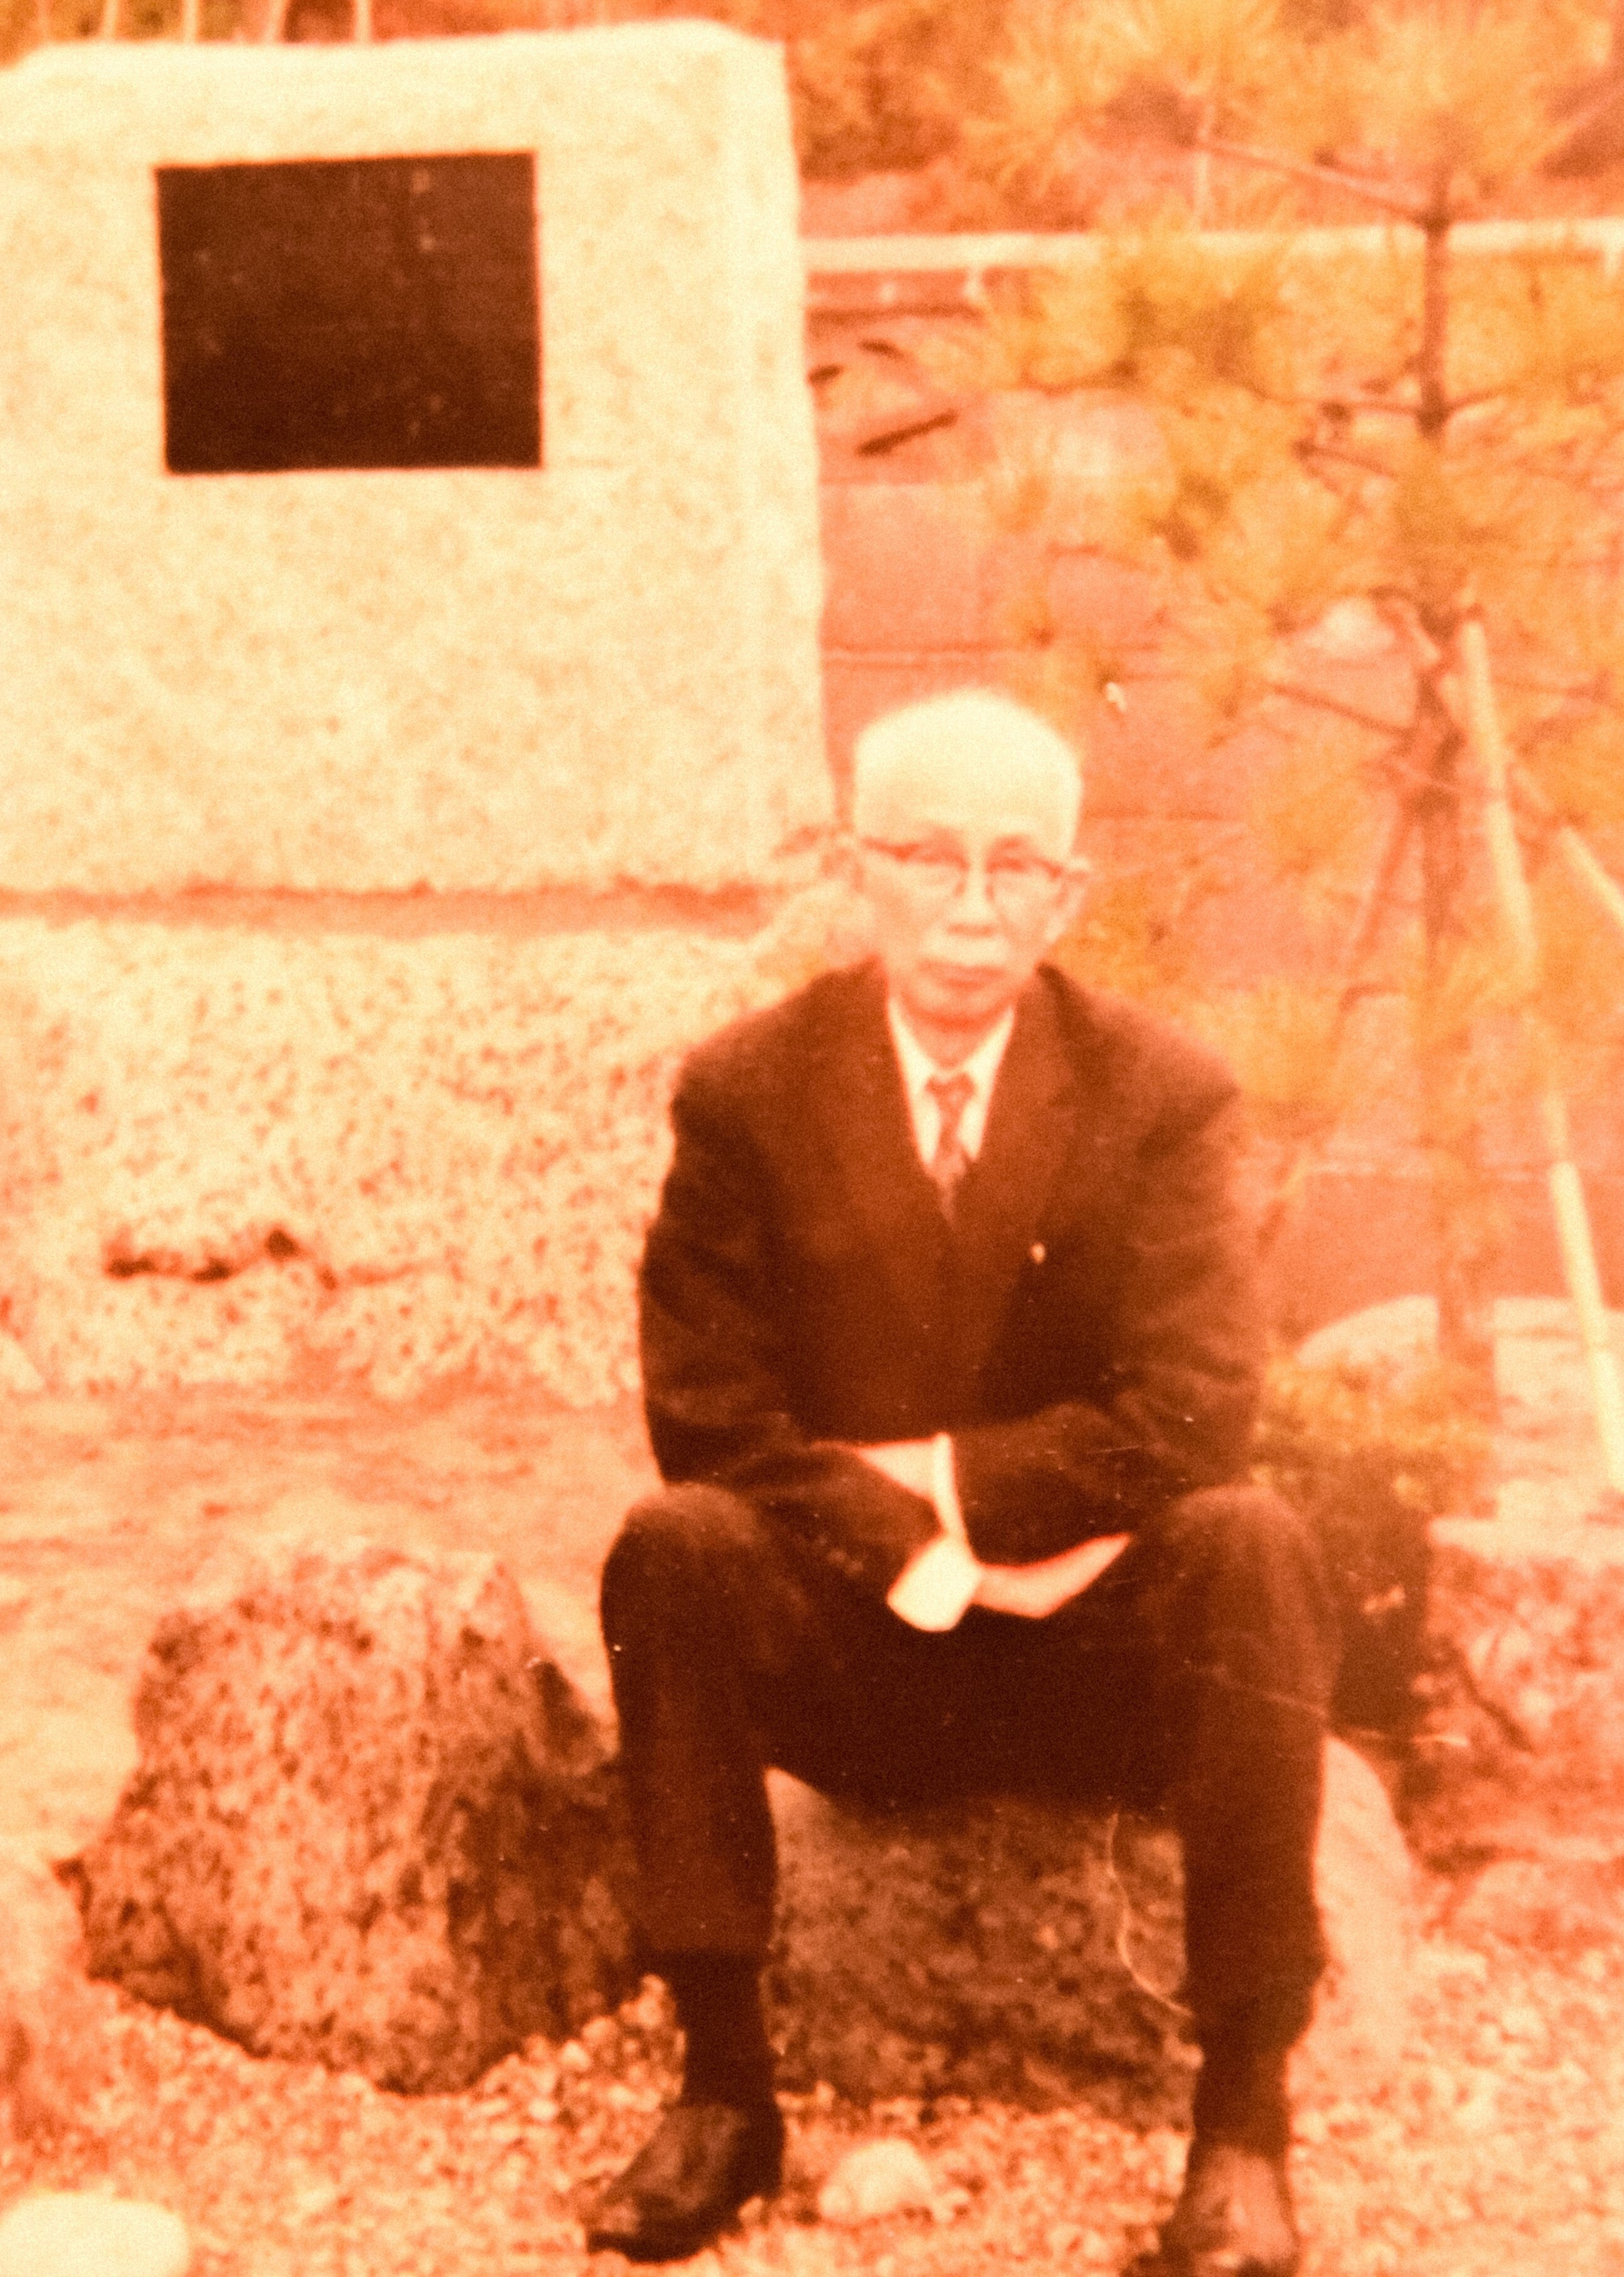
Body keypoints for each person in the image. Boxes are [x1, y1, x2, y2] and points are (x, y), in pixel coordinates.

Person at [583, 688, 1340, 2274]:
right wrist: (900, 1543)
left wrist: (936, 1479)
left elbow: (1195, 1414)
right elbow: (709, 1418)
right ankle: (722, 2089)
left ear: (1068, 893)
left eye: (1015, 867)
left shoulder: (1159, 1095)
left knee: (1253, 1544)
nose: (971, 907)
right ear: (854, 868)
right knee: (673, 1547)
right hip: (859, 1648)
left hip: (1085, 1649)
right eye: (929, 859)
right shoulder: (747, 1093)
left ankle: (1239, 2125)